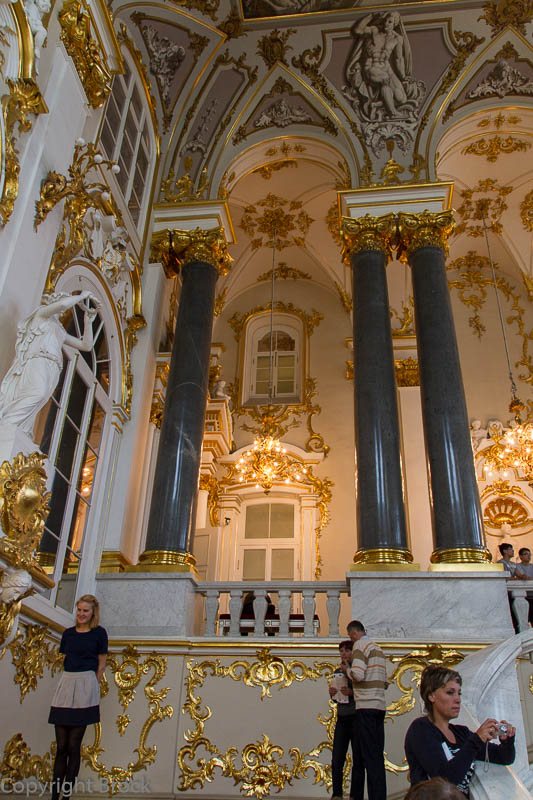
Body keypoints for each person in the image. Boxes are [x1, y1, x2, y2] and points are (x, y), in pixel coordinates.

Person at [404, 665, 515, 796]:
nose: (458, 699)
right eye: (450, 693)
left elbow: (504, 758)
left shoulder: (461, 733)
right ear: (431, 696)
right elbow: (445, 781)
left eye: (459, 693)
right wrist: (477, 740)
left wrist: (507, 740)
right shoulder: (421, 729)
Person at [0, 291, 98, 437]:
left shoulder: (59, 329)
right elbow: (64, 304)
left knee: (42, 398)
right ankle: (9, 422)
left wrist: (88, 322)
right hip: (39, 360)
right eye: (62, 300)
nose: (65, 305)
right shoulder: (41, 315)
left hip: (53, 367)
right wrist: (81, 297)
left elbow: (86, 346)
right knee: (37, 393)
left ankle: (20, 430)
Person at [49, 595, 108, 800]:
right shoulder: (68, 634)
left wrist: (94, 683)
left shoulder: (99, 634)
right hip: (67, 684)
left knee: (74, 746)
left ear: (93, 613)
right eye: (79, 610)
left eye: (85, 611)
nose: (81, 614)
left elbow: (102, 663)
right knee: (62, 746)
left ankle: (66, 795)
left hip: (86, 684)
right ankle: (54, 795)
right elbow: (64, 658)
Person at [347, 620, 387, 800]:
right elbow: (384, 681)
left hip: (365, 706)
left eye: (350, 636)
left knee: (368, 757)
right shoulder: (377, 648)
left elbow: (358, 674)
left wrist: (347, 669)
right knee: (377, 756)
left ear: (353, 633)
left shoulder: (359, 647)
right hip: (379, 705)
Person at [328, 639, 357, 800]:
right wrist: (333, 693)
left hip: (355, 717)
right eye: (341, 651)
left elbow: (361, 689)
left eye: (347, 650)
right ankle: (337, 793)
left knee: (357, 758)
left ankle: (355, 794)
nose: (344, 653)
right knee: (337, 758)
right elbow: (336, 696)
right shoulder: (337, 671)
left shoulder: (356, 670)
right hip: (342, 716)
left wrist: (352, 692)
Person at [518, 547, 533, 625]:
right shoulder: (517, 566)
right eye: (526, 554)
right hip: (522, 596)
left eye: (530, 554)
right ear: (520, 556)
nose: (529, 556)